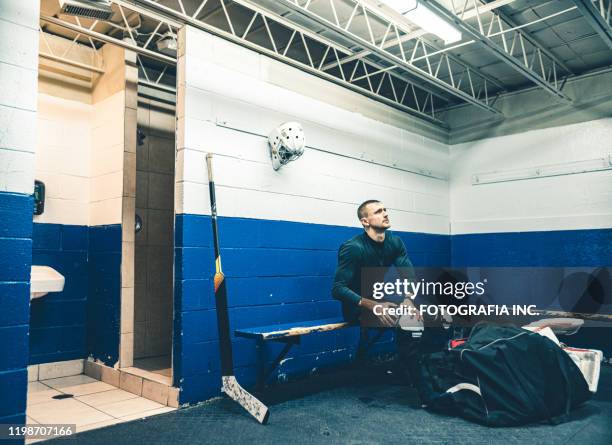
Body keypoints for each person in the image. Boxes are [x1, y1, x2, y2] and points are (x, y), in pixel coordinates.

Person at [331, 199, 447, 391]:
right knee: (409, 322)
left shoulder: (394, 242)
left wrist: (408, 299)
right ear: (365, 221)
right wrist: (373, 305)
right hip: (357, 307)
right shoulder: (353, 247)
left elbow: (408, 274)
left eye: (385, 210)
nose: (385, 213)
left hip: (380, 300)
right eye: (378, 211)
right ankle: (421, 386)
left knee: (439, 315)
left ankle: (428, 371)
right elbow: (337, 288)